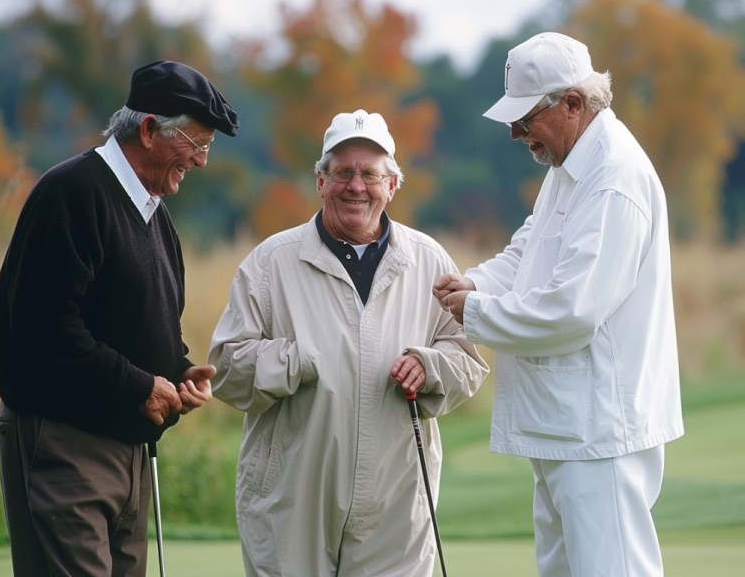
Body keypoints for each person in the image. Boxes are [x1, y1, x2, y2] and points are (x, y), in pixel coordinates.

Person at [433, 32, 684, 576]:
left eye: (526, 116)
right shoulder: (569, 168)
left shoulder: (613, 178)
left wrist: (471, 314)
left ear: (574, 103)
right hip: (567, 425)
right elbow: (527, 253)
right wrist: (470, 285)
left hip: (599, 430)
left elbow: (574, 311)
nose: (515, 132)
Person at [0, 60, 239, 576]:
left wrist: (177, 371)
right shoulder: (72, 193)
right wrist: (141, 387)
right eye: (197, 143)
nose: (203, 161)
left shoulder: (154, 213)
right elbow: (43, 331)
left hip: (127, 451)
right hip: (64, 442)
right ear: (148, 130)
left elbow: (131, 320)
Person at [208, 109, 489, 576]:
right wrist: (297, 359)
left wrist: (430, 366)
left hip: (396, 497)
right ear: (320, 182)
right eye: (342, 173)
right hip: (291, 497)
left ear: (392, 185)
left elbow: (468, 359)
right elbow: (227, 368)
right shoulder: (271, 262)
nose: (355, 186)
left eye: (369, 174)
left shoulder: (429, 260)